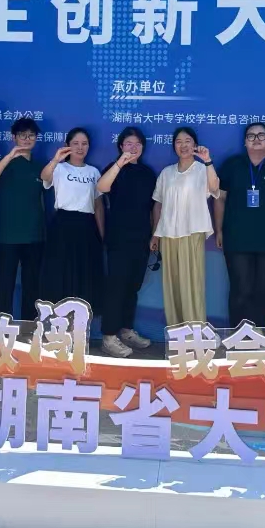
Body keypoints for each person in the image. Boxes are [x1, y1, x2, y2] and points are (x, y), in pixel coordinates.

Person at [214, 122, 265, 329]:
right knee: (240, 290)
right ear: (244, 142)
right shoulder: (232, 165)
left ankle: (259, 337)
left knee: (262, 292)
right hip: (237, 238)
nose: (256, 139)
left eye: (261, 135)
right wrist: (219, 229)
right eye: (251, 136)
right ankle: (237, 337)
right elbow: (220, 199)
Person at [96, 127, 157, 357]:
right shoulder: (113, 169)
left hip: (141, 238)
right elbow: (101, 188)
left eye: (137, 143)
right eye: (129, 143)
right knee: (116, 287)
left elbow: (153, 207)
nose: (133, 147)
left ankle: (126, 330)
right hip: (118, 238)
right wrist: (119, 164)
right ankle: (108, 336)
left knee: (133, 287)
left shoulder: (148, 173)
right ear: (121, 146)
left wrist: (154, 235)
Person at [152, 127, 219, 326]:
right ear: (174, 146)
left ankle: (196, 330)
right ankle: (176, 330)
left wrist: (208, 161)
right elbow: (158, 203)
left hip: (192, 232)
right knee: (171, 284)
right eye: (179, 141)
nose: (183, 145)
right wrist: (155, 234)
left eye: (188, 141)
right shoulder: (167, 173)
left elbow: (214, 188)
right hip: (168, 234)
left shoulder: (202, 169)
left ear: (195, 145)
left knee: (192, 283)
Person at [0, 117, 45, 320]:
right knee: (5, 282)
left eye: (31, 135)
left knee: (32, 284)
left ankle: (29, 326)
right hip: (8, 235)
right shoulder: (6, 163)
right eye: (22, 135)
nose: (27, 139)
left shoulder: (39, 166)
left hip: (34, 235)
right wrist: (11, 155)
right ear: (14, 137)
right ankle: (1, 326)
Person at [40, 128, 105, 309]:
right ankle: (57, 316)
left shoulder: (94, 172)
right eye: (75, 143)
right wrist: (56, 159)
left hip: (87, 225)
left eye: (84, 144)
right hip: (63, 224)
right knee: (60, 270)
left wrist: (101, 234)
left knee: (84, 271)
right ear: (67, 145)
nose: (80, 147)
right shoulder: (59, 168)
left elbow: (98, 206)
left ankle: (81, 317)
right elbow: (44, 177)